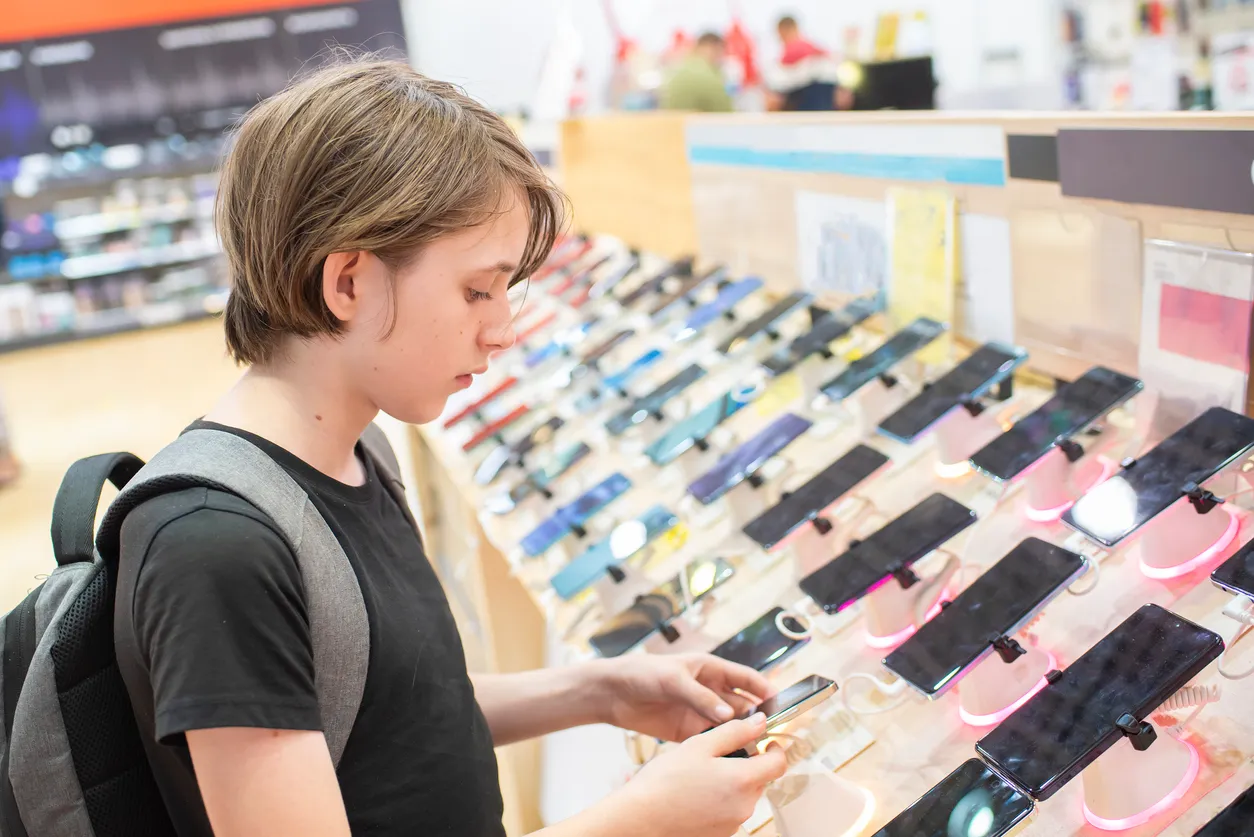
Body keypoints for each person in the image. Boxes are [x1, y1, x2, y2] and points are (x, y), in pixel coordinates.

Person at [114, 57, 787, 837]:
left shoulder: (357, 452)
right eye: (478, 289)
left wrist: (600, 690)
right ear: (349, 283)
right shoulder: (214, 548)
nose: (501, 331)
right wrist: (643, 820)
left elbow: (395, 714)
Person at [770, 15, 852, 111]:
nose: (780, 39)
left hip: (809, 101)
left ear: (784, 30)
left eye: (780, 35)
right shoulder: (812, 47)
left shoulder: (793, 49)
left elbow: (781, 79)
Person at [659, 32, 735, 112]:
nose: (721, 58)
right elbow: (727, 113)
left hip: (674, 122)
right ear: (712, 48)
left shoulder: (677, 70)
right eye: (720, 52)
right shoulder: (709, 78)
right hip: (700, 122)